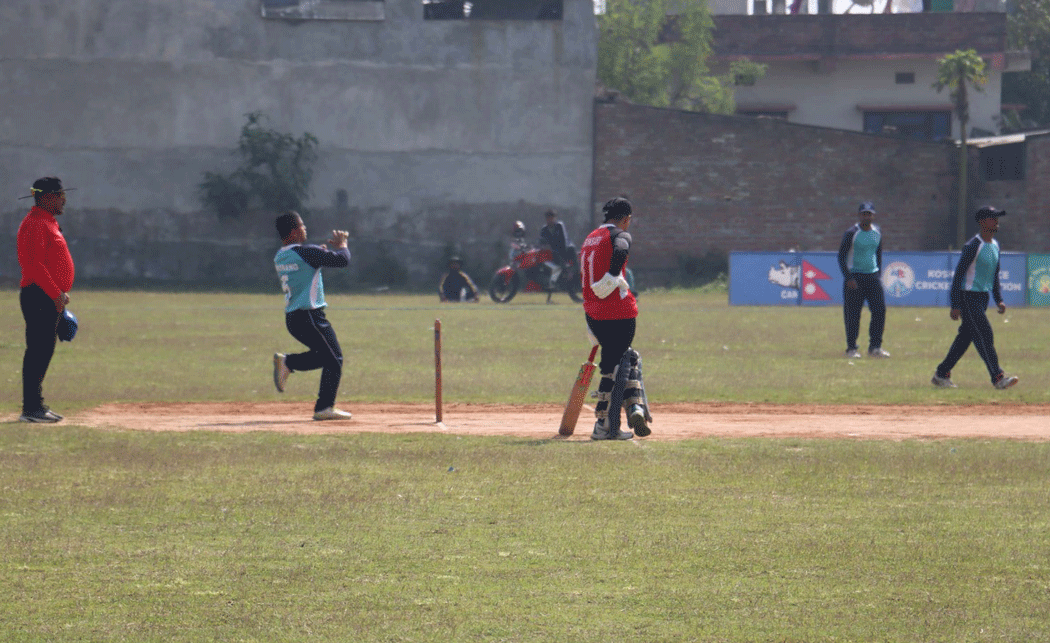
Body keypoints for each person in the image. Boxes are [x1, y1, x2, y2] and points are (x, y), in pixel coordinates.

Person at [272, 211, 354, 420]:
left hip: (294, 318)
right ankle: (323, 407)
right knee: (334, 358)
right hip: (310, 316)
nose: (305, 228)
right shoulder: (307, 253)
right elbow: (342, 260)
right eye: (301, 225)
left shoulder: (280, 255)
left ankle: (289, 363)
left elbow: (305, 261)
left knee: (326, 357)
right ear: (293, 232)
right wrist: (342, 245)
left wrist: (319, 251)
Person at [581, 197, 651, 440]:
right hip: (618, 311)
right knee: (619, 365)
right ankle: (608, 424)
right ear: (626, 218)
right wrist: (612, 276)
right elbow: (621, 248)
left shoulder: (590, 237)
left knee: (623, 360)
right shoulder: (620, 234)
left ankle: (632, 409)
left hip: (592, 312)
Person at [931, 206, 1019, 390]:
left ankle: (941, 374)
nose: (997, 222)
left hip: (982, 297)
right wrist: (955, 304)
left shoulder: (995, 245)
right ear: (982, 222)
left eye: (997, 218)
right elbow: (958, 275)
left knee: (965, 338)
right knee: (985, 333)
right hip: (967, 297)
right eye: (993, 218)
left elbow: (994, 275)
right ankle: (998, 377)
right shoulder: (973, 246)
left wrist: (999, 299)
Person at [16, 177, 76, 423]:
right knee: (38, 351)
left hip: (47, 295)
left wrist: (59, 292)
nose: (64, 200)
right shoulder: (35, 223)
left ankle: (36, 405)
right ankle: (31, 409)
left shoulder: (48, 221)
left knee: (44, 351)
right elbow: (34, 265)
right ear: (48, 197)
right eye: (61, 195)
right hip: (39, 295)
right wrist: (55, 293)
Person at [837, 201, 889, 358]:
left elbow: (878, 253)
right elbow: (841, 257)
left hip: (872, 277)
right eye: (864, 214)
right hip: (855, 278)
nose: (867, 217)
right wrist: (848, 278)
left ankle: (875, 347)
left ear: (873, 216)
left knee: (879, 311)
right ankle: (851, 348)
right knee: (853, 315)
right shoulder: (851, 233)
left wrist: (878, 273)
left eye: (869, 214)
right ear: (859, 215)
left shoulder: (877, 232)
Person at [538, 209, 575, 290]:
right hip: (551, 254)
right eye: (548, 218)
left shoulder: (559, 226)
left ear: (555, 218)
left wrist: (563, 253)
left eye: (552, 217)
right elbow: (541, 242)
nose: (550, 220)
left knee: (571, 249)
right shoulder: (544, 229)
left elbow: (564, 240)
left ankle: (569, 272)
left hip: (562, 251)